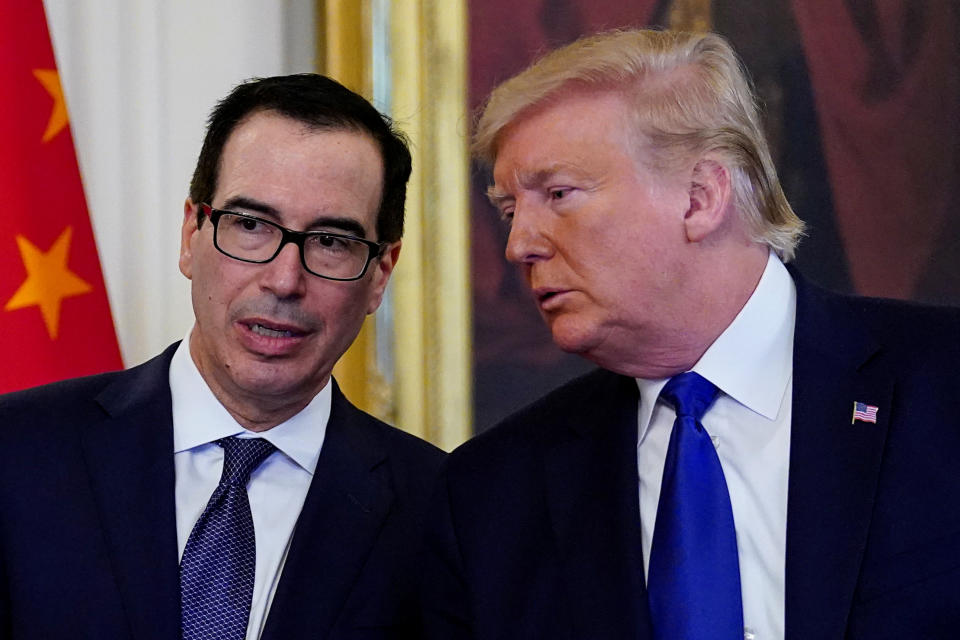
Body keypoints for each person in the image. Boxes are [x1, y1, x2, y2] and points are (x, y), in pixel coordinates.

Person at [421, 29, 960, 640]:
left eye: (559, 194)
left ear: (701, 198)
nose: (520, 245)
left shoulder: (942, 384)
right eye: (512, 210)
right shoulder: (494, 492)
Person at [0, 74, 444, 640]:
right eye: (251, 225)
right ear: (191, 234)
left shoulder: (439, 508)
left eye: (332, 241)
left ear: (380, 274)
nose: (285, 280)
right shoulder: (17, 454)